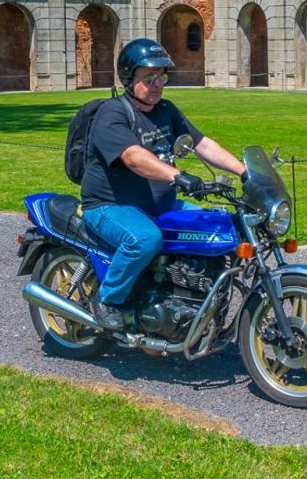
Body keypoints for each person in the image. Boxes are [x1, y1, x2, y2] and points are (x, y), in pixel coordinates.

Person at [80, 38, 244, 331]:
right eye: (149, 77)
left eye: (161, 77)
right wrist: (176, 175)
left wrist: (245, 172)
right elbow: (133, 157)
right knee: (144, 239)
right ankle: (107, 299)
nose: (157, 84)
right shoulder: (112, 113)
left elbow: (202, 144)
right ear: (129, 79)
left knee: (220, 228)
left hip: (161, 204)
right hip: (110, 206)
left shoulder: (166, 110)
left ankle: (194, 299)